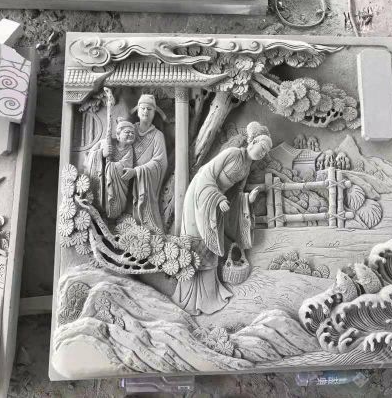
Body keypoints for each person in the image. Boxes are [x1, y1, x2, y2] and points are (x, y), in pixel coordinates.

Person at [172, 121, 273, 315]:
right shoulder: (233, 153)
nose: (262, 154)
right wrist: (217, 198)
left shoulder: (247, 167)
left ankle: (208, 295)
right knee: (196, 241)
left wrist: (247, 199)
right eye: (262, 148)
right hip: (201, 196)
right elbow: (206, 175)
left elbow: (235, 193)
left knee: (211, 244)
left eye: (265, 152)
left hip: (217, 204)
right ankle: (187, 297)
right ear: (252, 142)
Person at [122, 94, 168, 231]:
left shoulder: (158, 136)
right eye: (142, 108)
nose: (145, 111)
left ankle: (146, 229)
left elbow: (160, 162)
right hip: (125, 178)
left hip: (144, 184)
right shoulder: (130, 130)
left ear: (154, 113)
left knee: (144, 219)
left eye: (149, 109)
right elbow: (119, 147)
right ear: (138, 110)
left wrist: (136, 171)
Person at [86, 119, 136, 219]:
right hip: (102, 182)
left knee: (116, 207)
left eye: (132, 133)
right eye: (127, 132)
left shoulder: (129, 149)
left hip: (119, 185)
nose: (130, 134)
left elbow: (126, 165)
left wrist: (110, 167)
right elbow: (89, 156)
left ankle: (114, 217)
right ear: (118, 134)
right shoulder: (105, 142)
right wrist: (101, 153)